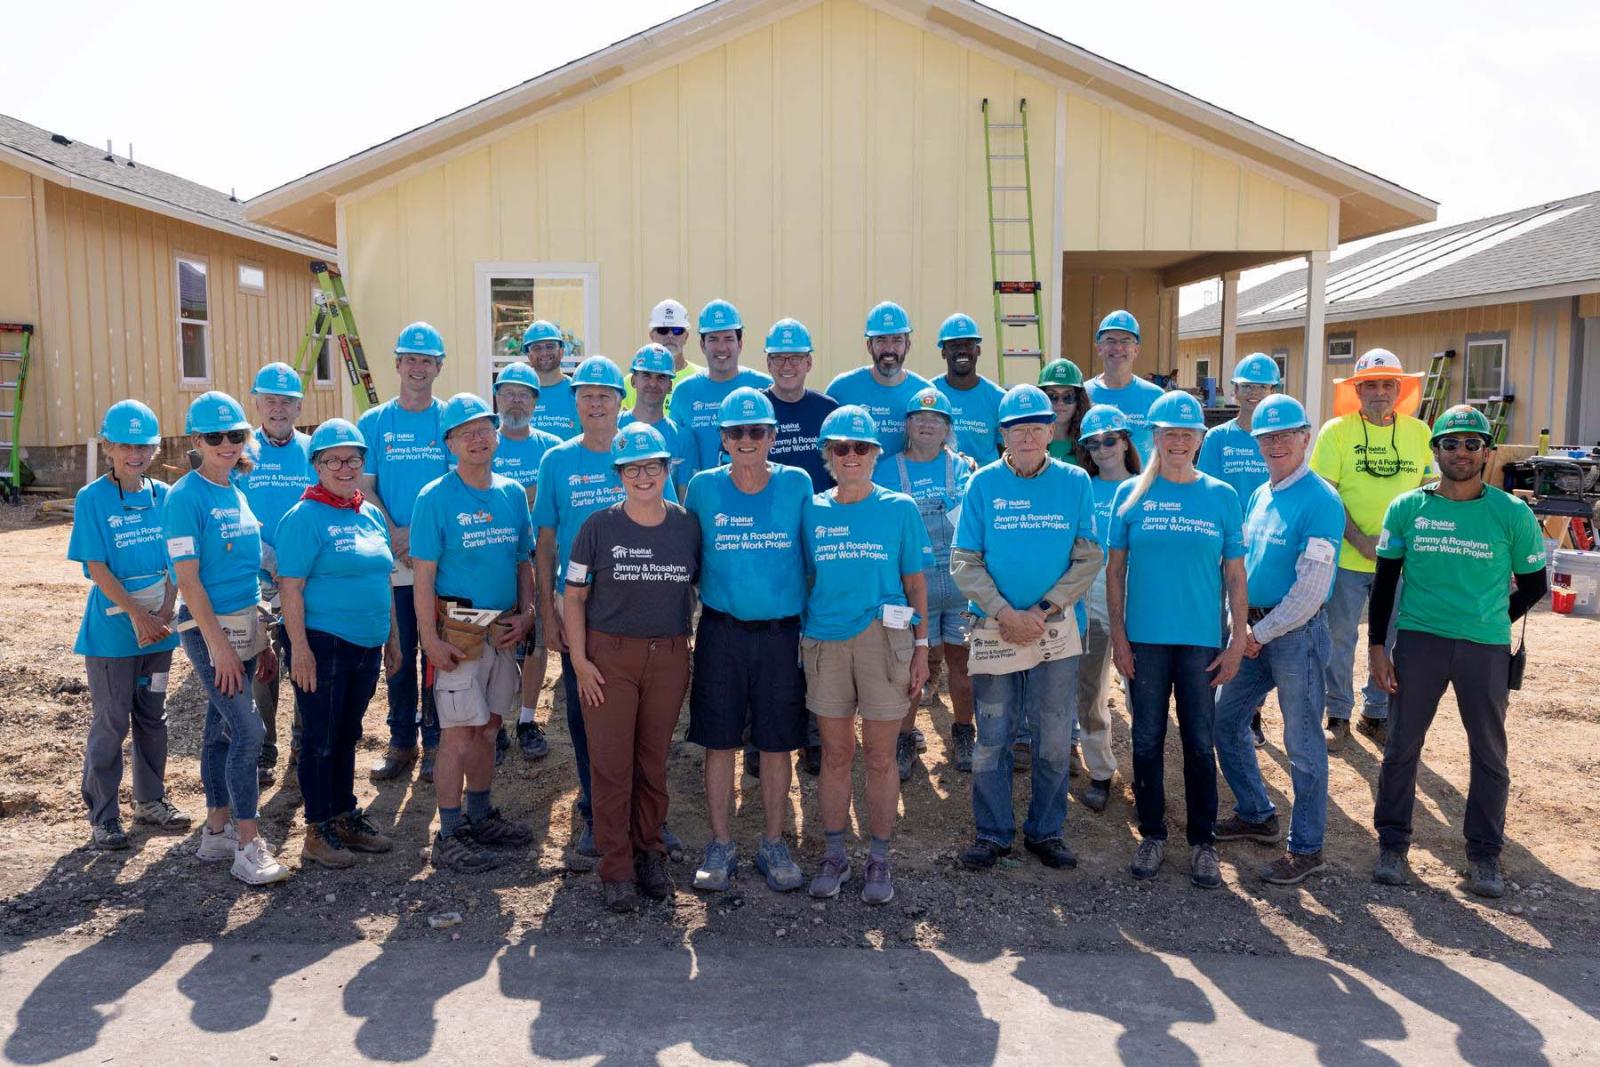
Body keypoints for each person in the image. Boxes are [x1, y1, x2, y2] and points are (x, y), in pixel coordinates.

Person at [1369, 405, 1547, 899]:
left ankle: (1485, 855)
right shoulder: (1408, 508)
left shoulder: (1512, 513)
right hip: (1419, 643)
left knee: (1489, 753)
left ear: (1487, 452)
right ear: (1436, 451)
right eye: (1451, 444)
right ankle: (1392, 843)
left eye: (1472, 444)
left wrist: (1490, 618)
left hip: (1485, 649)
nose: (1462, 452)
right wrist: (1377, 647)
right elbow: (1385, 584)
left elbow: (1534, 585)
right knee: (1402, 744)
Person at [534, 356, 682, 870]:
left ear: (621, 400)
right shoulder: (556, 460)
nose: (595, 403)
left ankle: (649, 822)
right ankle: (596, 813)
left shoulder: (644, 450)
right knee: (585, 717)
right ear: (573, 402)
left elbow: (674, 530)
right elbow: (546, 542)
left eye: (604, 394)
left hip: (643, 607)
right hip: (580, 607)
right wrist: (546, 611)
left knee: (645, 726)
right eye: (586, 395)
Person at [951, 384, 1100, 874]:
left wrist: (1042, 609)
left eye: (1037, 427)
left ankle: (1046, 830)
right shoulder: (982, 485)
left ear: (1052, 432)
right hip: (996, 633)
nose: (1029, 436)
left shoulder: (1076, 482)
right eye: (1018, 429)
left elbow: (1088, 555)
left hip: (1056, 634)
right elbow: (963, 560)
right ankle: (992, 833)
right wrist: (1005, 613)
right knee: (992, 735)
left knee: (1054, 738)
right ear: (1003, 436)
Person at [1107, 390, 1247, 889]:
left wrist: (1236, 640)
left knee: (1198, 740)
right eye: (1170, 434)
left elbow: (1234, 574)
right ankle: (1152, 833)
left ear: (1200, 439)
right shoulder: (1131, 496)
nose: (1179, 442)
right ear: (1155, 439)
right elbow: (1115, 572)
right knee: (1146, 740)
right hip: (1144, 641)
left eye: (1188, 433)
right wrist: (1119, 637)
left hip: (1200, 642)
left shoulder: (1221, 496)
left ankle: (1202, 842)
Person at [565, 423, 700, 911]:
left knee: (652, 763)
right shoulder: (598, 526)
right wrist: (579, 661)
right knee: (611, 765)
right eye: (632, 468)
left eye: (652, 466)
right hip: (608, 659)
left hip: (667, 656)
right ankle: (616, 866)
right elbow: (574, 597)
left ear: (667, 470)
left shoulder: (686, 524)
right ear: (619, 474)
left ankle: (650, 852)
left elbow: (702, 586)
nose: (643, 476)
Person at [1211, 395, 1345, 885]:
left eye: (1286, 435)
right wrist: (1239, 623)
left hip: (1295, 637)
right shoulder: (1262, 494)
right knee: (1224, 722)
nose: (1276, 444)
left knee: (1302, 743)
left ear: (1306, 438)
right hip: (1254, 631)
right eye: (1267, 437)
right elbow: (1241, 568)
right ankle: (1256, 813)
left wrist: (1256, 633)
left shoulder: (1322, 500)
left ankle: (1307, 848)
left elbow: (1310, 589)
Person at [684, 388, 813, 893]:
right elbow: (685, 559)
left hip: (782, 635)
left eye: (756, 431)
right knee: (719, 743)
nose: (746, 440)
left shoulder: (798, 484)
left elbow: (812, 561)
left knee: (778, 744)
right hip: (721, 630)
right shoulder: (701, 487)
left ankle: (773, 841)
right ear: (722, 438)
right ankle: (720, 843)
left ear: (773, 437)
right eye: (736, 432)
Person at [801, 406, 931, 905]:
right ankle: (835, 852)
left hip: (885, 641)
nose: (851, 456)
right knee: (835, 755)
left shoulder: (900, 508)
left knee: (880, 756)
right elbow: (807, 576)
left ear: (876, 453)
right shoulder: (812, 509)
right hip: (826, 641)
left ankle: (879, 857)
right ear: (828, 457)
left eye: (860, 447)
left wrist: (921, 648)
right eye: (841, 448)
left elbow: (916, 581)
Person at [411, 393, 538, 873]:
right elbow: (423, 577)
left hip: (502, 630)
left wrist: (528, 614)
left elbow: (523, 560)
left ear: (497, 434)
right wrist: (430, 639)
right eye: (466, 433)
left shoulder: (510, 494)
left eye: (484, 429)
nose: (478, 439)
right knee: (458, 733)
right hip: (459, 632)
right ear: (450, 444)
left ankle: (481, 816)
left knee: (488, 728)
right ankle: (449, 833)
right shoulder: (435, 498)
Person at [166, 391, 289, 885]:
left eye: (235, 435)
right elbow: (189, 581)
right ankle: (247, 844)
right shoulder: (184, 497)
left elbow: (245, 575)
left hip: (245, 624)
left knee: (219, 730)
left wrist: (260, 640)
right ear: (196, 440)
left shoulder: (236, 489)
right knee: (250, 732)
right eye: (214, 436)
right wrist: (219, 646)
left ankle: (215, 830)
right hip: (207, 629)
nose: (226, 444)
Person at [275, 418, 400, 868]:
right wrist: (300, 648)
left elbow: (383, 579)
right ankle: (318, 827)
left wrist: (393, 639)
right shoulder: (304, 517)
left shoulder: (368, 513)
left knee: (348, 733)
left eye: (353, 459)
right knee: (320, 738)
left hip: (367, 643)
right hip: (323, 644)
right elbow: (290, 589)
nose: (345, 467)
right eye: (334, 459)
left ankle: (345, 814)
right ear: (316, 465)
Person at [70, 400, 188, 850]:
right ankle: (103, 815)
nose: (134, 454)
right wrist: (139, 616)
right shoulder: (92, 499)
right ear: (108, 448)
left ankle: (151, 800)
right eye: (125, 445)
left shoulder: (165, 496)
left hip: (159, 630)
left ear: (154, 449)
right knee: (112, 720)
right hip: (115, 634)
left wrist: (165, 612)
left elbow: (178, 557)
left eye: (143, 446)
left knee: (153, 715)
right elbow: (97, 567)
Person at [1310, 348, 1432, 750]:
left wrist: (1402, 546)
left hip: (1401, 562)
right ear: (1357, 390)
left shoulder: (1420, 433)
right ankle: (1339, 713)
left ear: (1399, 389)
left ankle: (1376, 712)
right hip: (1347, 558)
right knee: (1340, 637)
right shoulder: (1336, 432)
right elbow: (1326, 494)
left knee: (1392, 638)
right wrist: (1362, 541)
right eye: (1370, 385)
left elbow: (1428, 493)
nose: (1379, 392)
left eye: (1387, 384)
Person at [358, 322, 452, 784]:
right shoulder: (374, 423)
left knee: (436, 650)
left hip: (437, 558)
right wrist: (396, 532)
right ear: (397, 364)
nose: (418, 368)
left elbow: (456, 487)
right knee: (397, 650)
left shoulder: (450, 419)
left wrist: (416, 535)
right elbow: (363, 486)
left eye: (427, 360)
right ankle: (401, 742)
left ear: (439, 367)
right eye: (410, 359)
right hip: (390, 554)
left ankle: (436, 741)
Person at [874, 388, 975, 777]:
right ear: (908, 425)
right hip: (910, 590)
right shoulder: (886, 469)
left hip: (960, 587)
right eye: (919, 418)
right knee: (909, 670)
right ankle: (904, 740)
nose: (927, 424)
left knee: (962, 668)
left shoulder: (964, 468)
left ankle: (964, 732)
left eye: (936, 419)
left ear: (947, 428)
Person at [237, 362, 315, 786]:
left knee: (304, 656)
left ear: (299, 405)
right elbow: (230, 510)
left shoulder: (312, 449)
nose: (279, 408)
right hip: (258, 575)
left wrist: (299, 561)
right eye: (271, 400)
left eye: (287, 401)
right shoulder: (241, 451)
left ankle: (302, 742)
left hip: (303, 577)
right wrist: (263, 557)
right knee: (261, 664)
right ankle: (264, 747)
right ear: (257, 402)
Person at [1198, 351, 1280, 748]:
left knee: (1252, 629)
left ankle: (1252, 712)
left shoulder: (1276, 440)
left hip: (1263, 547)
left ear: (1273, 390)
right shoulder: (1218, 438)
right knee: (1221, 626)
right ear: (1234, 389)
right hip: (1225, 544)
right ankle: (1219, 703)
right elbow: (1209, 492)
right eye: (1247, 386)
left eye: (1261, 387)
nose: (1254, 394)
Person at [489, 362, 562, 762]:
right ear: (497, 397)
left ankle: (528, 721)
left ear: (536, 401)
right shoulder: (485, 441)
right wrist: (526, 494)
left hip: (538, 557)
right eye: (508, 392)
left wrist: (514, 495)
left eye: (524, 393)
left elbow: (551, 502)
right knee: (499, 641)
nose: (515, 399)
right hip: (494, 558)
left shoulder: (551, 448)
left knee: (534, 642)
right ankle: (496, 722)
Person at [1073, 404, 1141, 812]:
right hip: (1091, 600)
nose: (1103, 449)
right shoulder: (1082, 487)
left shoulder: (1146, 486)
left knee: (1141, 696)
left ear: (1125, 441)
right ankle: (1100, 771)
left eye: (1110, 440)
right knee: (1090, 690)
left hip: (1140, 599)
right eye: (1093, 443)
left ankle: (1144, 776)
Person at [668, 300, 773, 469]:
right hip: (701, 493)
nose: (721, 347)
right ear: (702, 345)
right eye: (713, 339)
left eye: (728, 339)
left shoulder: (764, 387)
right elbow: (677, 452)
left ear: (740, 344)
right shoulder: (684, 392)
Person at [826, 301, 932, 456]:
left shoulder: (924, 393)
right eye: (881, 340)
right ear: (869, 345)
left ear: (908, 345)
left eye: (897, 340)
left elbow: (938, 446)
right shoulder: (841, 389)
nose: (889, 349)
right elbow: (825, 446)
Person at [763, 318, 839, 492]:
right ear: (768, 364)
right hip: (770, 515)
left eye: (796, 358)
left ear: (809, 363)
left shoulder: (828, 411)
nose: (787, 366)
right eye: (778, 358)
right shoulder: (756, 411)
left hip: (818, 515)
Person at [1084, 310, 1166, 461]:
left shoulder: (1156, 397)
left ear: (1136, 350)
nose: (1118, 347)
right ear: (1099, 348)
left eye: (1125, 341)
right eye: (1110, 341)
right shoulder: (1083, 394)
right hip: (1094, 484)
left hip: (1143, 484)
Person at [619, 343, 699, 495]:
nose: (653, 383)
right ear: (633, 381)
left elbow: (683, 501)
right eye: (646, 375)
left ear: (670, 386)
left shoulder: (683, 438)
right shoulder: (614, 428)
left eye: (661, 377)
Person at [930, 313, 1005, 465]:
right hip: (940, 483)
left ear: (978, 350)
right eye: (955, 346)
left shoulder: (999, 399)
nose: (962, 350)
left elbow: (1006, 451)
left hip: (985, 484)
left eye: (968, 345)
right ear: (943, 353)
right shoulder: (930, 394)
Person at [622, 298, 704, 413]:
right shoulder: (630, 383)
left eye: (677, 330)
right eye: (663, 330)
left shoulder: (702, 379)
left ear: (686, 337)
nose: (670, 335)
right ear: (651, 336)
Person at [521, 321, 580, 439]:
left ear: (561, 351)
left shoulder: (578, 392)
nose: (544, 353)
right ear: (529, 355)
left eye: (550, 346)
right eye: (537, 348)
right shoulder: (519, 395)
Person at [1039, 359, 1089, 465]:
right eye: (1052, 396)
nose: (1060, 403)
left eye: (1068, 397)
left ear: (1079, 400)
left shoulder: (1092, 443)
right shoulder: (1029, 441)